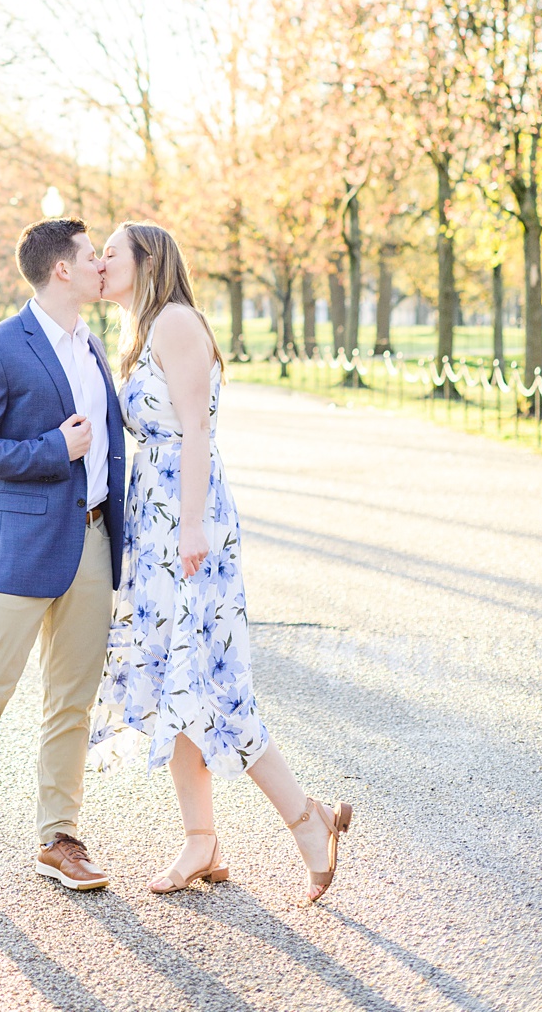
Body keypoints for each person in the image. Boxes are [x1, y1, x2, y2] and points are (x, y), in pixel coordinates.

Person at [89, 221, 354, 900]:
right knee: (177, 683)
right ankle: (201, 842)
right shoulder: (141, 332)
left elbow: (197, 429)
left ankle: (306, 820)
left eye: (111, 254)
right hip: (160, 520)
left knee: (212, 682)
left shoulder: (176, 322)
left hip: (186, 517)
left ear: (147, 261)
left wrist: (194, 525)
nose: (99, 263)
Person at [0, 217, 126, 906]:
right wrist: (52, 449)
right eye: (88, 254)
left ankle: (59, 836)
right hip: (17, 551)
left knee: (71, 702)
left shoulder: (92, 345)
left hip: (94, 542)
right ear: (61, 270)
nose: (100, 263)